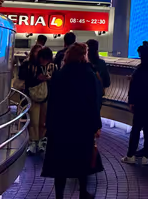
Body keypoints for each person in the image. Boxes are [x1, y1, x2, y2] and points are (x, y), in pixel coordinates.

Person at [41, 43, 103, 199]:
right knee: (82, 159)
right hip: (82, 125)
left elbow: (52, 102)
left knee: (60, 162)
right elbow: (93, 102)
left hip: (60, 126)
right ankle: (83, 193)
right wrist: (96, 125)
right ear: (83, 56)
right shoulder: (89, 75)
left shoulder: (59, 75)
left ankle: (59, 195)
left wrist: (49, 124)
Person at [20, 45, 55, 154]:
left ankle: (41, 140)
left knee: (43, 120)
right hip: (33, 96)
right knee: (34, 120)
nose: (44, 62)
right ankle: (33, 141)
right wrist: (39, 79)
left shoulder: (51, 66)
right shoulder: (29, 65)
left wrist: (48, 79)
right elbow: (25, 80)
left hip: (45, 96)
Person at [86, 39, 110, 109]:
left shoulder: (82, 63)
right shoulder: (101, 63)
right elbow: (107, 82)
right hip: (97, 96)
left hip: (85, 96)